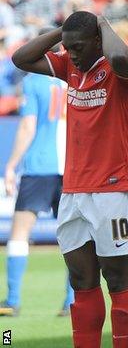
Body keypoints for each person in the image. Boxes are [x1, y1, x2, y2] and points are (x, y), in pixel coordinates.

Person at [11, 11, 128, 348]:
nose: (70, 54)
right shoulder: (71, 67)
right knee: (82, 281)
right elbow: (21, 58)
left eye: (78, 47)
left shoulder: (125, 70)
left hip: (113, 190)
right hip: (73, 192)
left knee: (116, 279)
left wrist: (101, 24)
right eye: (67, 48)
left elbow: (117, 55)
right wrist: (64, 32)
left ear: (98, 40)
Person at [1, 32, 73, 317]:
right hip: (72, 168)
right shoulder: (74, 80)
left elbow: (28, 127)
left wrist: (10, 165)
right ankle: (72, 301)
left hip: (39, 166)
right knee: (74, 238)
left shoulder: (33, 82)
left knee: (19, 233)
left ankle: (13, 300)